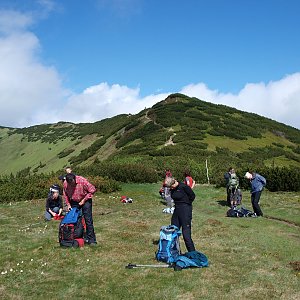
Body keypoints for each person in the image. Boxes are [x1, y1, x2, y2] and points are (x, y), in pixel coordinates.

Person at [63, 173, 97, 245]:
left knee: (88, 220)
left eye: (72, 183)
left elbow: (93, 190)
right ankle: (78, 237)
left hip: (85, 200)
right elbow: (65, 194)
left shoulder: (82, 181)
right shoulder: (66, 183)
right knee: (76, 220)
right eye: (70, 184)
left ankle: (92, 239)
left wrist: (84, 200)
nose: (71, 185)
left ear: (74, 179)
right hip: (74, 201)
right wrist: (68, 204)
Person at [164, 176, 196, 252]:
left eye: (170, 187)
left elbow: (192, 196)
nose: (170, 188)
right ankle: (176, 252)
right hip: (177, 210)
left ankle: (193, 254)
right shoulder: (172, 189)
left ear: (174, 182)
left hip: (185, 210)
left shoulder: (183, 187)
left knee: (186, 235)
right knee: (173, 231)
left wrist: (187, 204)